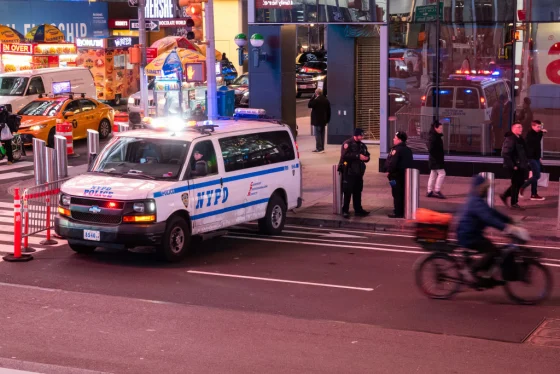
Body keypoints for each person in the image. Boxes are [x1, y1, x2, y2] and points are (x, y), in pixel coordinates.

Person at [457, 175, 514, 284]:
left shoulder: (477, 200)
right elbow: (488, 218)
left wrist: (509, 220)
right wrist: (506, 228)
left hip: (471, 233)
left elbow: (493, 213)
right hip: (469, 236)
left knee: (492, 249)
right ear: (481, 188)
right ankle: (471, 270)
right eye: (486, 188)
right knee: (493, 251)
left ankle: (484, 273)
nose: (488, 191)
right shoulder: (476, 202)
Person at [339, 128, 370, 218]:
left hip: (359, 172)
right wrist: (357, 156)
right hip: (349, 172)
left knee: (358, 191)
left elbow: (367, 154)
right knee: (347, 191)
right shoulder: (347, 144)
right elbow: (344, 156)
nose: (362, 137)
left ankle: (358, 209)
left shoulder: (362, 145)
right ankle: (345, 210)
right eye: (361, 135)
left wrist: (367, 158)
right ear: (356, 135)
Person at [500, 122, 528, 209]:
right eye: (519, 127)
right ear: (513, 129)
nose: (521, 129)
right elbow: (505, 153)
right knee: (516, 183)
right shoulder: (511, 139)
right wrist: (513, 165)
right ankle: (514, 203)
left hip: (521, 165)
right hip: (515, 166)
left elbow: (523, 152)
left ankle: (505, 195)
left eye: (521, 127)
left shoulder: (520, 138)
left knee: (520, 183)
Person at [385, 131, 413, 218]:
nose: (394, 139)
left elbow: (392, 163)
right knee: (402, 193)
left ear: (400, 140)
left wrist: (388, 171)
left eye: (395, 138)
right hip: (404, 176)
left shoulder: (396, 150)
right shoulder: (408, 150)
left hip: (394, 176)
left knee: (396, 193)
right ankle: (402, 210)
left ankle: (397, 212)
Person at [520, 120, 547, 200]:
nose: (539, 128)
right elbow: (535, 142)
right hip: (530, 158)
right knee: (537, 175)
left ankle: (534, 194)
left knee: (535, 175)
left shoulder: (536, 134)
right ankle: (522, 187)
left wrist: (539, 157)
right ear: (533, 126)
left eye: (540, 126)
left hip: (535, 158)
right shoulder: (530, 134)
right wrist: (541, 132)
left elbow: (537, 147)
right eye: (538, 127)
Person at [308, 88, 331, 153]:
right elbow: (329, 111)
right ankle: (322, 148)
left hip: (317, 121)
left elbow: (309, 105)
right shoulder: (326, 100)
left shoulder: (316, 100)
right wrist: (327, 120)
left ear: (316, 93)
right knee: (322, 134)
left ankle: (319, 148)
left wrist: (312, 97)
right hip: (323, 121)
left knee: (317, 134)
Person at [427, 121, 446, 199]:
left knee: (433, 174)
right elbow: (431, 149)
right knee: (442, 173)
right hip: (436, 160)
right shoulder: (434, 137)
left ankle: (429, 191)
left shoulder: (435, 136)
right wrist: (437, 156)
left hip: (434, 159)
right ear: (436, 128)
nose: (441, 129)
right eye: (440, 128)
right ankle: (437, 190)